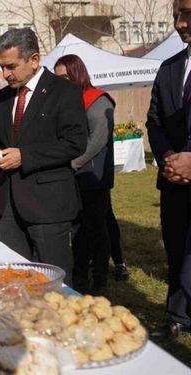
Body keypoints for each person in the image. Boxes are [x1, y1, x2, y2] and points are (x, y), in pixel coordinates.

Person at [0, 28, 87, 286]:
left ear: (34, 60)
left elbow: (75, 143)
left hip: (48, 205)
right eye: (1, 66)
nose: (5, 74)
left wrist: (25, 156)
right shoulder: (5, 97)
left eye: (11, 66)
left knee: (54, 280)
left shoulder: (63, 91)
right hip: (8, 204)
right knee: (15, 279)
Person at [146, 0, 191, 339]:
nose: (179, 23)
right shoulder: (169, 67)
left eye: (187, 13)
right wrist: (169, 158)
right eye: (176, 14)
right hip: (174, 180)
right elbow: (155, 120)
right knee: (176, 249)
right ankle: (178, 317)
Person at [54, 54, 116, 295]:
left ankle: (100, 279)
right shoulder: (68, 100)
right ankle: (80, 278)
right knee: (77, 230)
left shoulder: (98, 100)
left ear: (76, 73)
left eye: (65, 77)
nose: (61, 82)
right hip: (74, 176)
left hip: (93, 176)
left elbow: (97, 140)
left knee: (97, 229)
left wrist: (74, 162)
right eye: (58, 77)